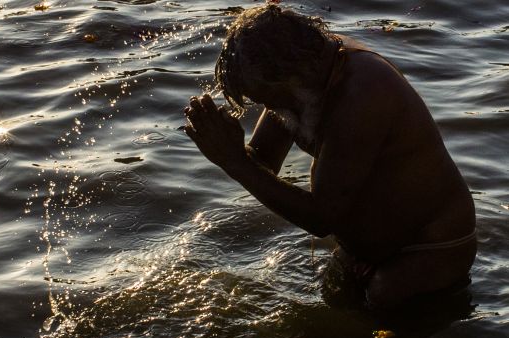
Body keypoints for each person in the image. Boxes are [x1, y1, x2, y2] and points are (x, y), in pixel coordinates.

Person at [183, 4, 476, 310]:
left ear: (293, 74)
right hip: (362, 248)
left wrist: (235, 162)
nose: (270, 109)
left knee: (383, 297)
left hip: (431, 245)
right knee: (335, 306)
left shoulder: (362, 91)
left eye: (270, 99)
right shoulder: (301, 79)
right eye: (261, 102)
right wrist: (227, 146)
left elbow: (321, 217)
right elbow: (262, 160)